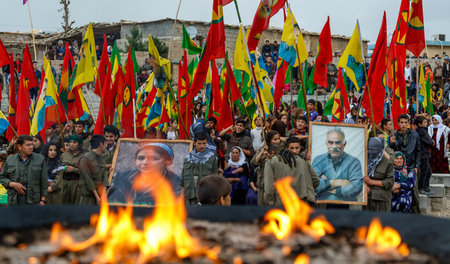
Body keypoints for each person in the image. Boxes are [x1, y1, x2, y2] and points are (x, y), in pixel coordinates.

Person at [108, 143, 180, 205]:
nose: (145, 162)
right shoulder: (122, 178)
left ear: (167, 161)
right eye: (141, 158)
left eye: (154, 158)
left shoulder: (176, 184)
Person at [312, 128, 363, 201]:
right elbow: (313, 185)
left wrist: (328, 186)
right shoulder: (318, 160)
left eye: (338, 143)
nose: (334, 146)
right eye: (330, 142)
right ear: (326, 144)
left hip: (347, 207)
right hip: (322, 206)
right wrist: (336, 182)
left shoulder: (354, 162)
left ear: (344, 144)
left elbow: (356, 187)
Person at [0, 135, 48, 206]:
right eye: (28, 145)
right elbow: (2, 177)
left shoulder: (40, 159)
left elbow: (44, 181)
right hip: (14, 200)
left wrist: (43, 200)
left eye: (32, 144)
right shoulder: (10, 160)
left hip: (34, 200)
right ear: (19, 146)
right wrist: (13, 184)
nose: (31, 147)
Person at [390, 114, 421, 213]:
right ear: (398, 123)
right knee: (397, 191)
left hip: (410, 167)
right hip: (397, 167)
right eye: (401, 122)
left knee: (414, 192)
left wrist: (416, 166)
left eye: (405, 122)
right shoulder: (394, 135)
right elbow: (393, 152)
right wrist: (391, 143)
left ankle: (415, 213)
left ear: (408, 123)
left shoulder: (415, 135)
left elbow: (418, 151)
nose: (403, 125)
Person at [181, 132, 218, 206]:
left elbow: (215, 177)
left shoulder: (212, 158)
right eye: (199, 143)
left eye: (204, 143)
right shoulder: (188, 158)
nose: (202, 146)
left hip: (205, 194)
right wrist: (182, 196)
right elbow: (183, 180)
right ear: (194, 143)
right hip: (189, 194)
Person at [363, 137, 394, 212]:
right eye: (369, 149)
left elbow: (390, 182)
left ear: (380, 149)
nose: (371, 151)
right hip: (368, 199)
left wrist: (371, 182)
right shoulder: (365, 162)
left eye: (374, 149)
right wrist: (363, 187)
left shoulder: (387, 163)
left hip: (382, 199)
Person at [251, 130, 281, 205]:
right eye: (275, 139)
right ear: (269, 141)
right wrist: (261, 153)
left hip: (277, 182)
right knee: (262, 206)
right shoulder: (263, 148)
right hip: (263, 182)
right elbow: (253, 163)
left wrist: (272, 159)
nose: (277, 141)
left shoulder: (282, 150)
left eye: (278, 139)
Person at [78, 135, 109, 205]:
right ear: (101, 144)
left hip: (100, 196)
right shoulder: (85, 159)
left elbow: (104, 174)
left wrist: (104, 193)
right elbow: (88, 179)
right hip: (88, 198)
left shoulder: (101, 157)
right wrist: (96, 196)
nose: (106, 147)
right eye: (105, 144)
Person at [61, 135, 85, 204]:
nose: (71, 144)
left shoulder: (84, 156)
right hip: (65, 183)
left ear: (79, 144)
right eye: (70, 142)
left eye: (74, 142)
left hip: (77, 184)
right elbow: (57, 168)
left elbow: (87, 172)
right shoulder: (64, 155)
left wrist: (74, 169)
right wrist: (63, 169)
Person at [413, 116, 433, 195]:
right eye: (424, 122)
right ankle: (421, 187)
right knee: (425, 171)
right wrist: (432, 142)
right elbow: (429, 142)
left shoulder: (422, 130)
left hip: (424, 154)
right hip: (423, 154)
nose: (426, 124)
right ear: (419, 124)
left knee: (428, 171)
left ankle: (425, 186)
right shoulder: (421, 131)